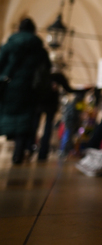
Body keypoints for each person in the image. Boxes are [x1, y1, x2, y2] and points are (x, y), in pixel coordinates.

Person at [0, 18, 50, 164]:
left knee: (6, 115)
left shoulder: (9, 45)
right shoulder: (40, 50)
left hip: (10, 86)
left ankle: (10, 135)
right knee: (25, 119)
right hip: (30, 89)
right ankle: (18, 152)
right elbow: (46, 71)